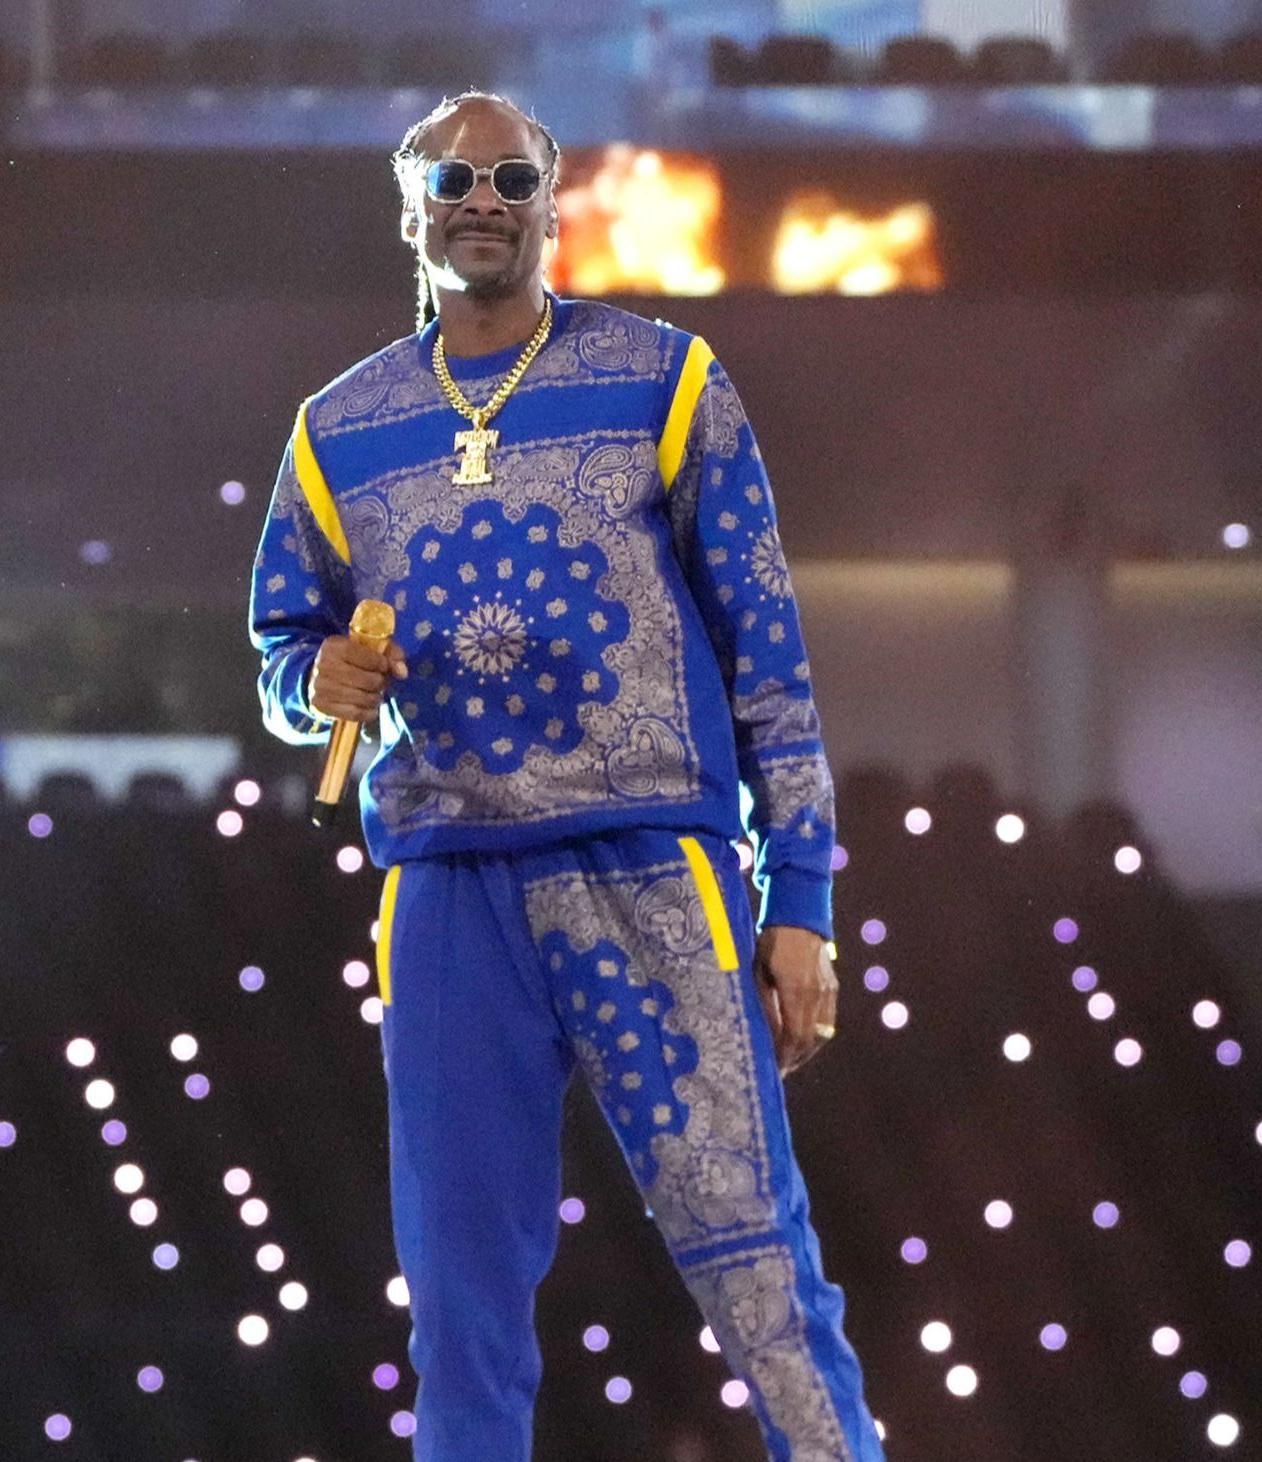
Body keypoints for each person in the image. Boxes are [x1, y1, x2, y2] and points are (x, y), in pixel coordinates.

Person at [248, 92, 880, 1461]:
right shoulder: (335, 428)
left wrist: (803, 901)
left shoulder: (667, 379)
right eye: (454, 179)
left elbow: (768, 655)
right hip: (449, 890)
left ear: (553, 204)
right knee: (458, 1301)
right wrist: (315, 683)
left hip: (655, 867)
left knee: (758, 1261)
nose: (482, 199)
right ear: (410, 208)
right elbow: (284, 650)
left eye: (510, 178)